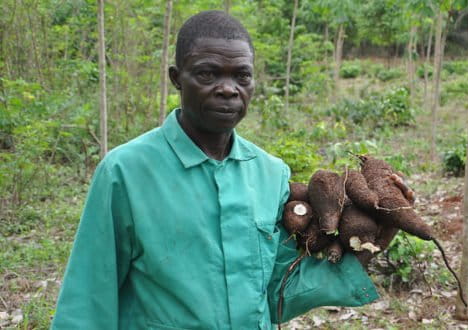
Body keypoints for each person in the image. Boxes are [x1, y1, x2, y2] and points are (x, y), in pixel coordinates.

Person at [52, 10, 394, 329]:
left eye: (241, 76)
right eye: (207, 73)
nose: (229, 89)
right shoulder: (125, 172)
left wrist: (369, 245)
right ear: (177, 78)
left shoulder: (270, 173)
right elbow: (88, 298)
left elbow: (275, 293)